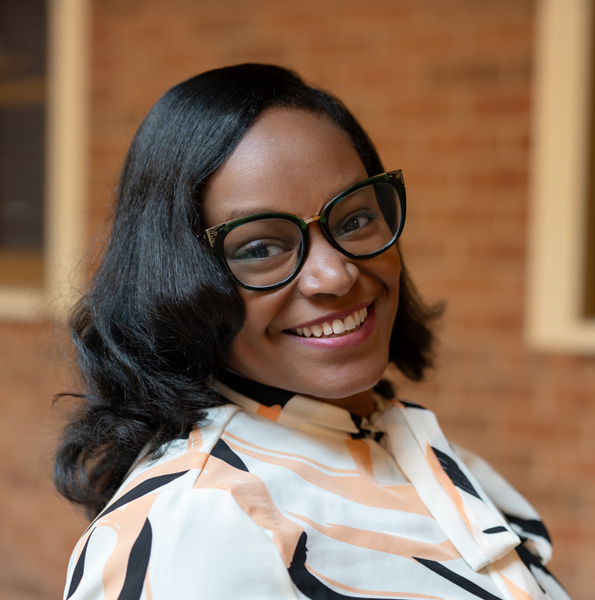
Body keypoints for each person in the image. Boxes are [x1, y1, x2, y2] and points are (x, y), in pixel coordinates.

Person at [56, 64, 570, 599]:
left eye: (353, 220)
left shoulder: (405, 448)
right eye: (259, 248)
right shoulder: (206, 518)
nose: (337, 274)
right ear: (178, 279)